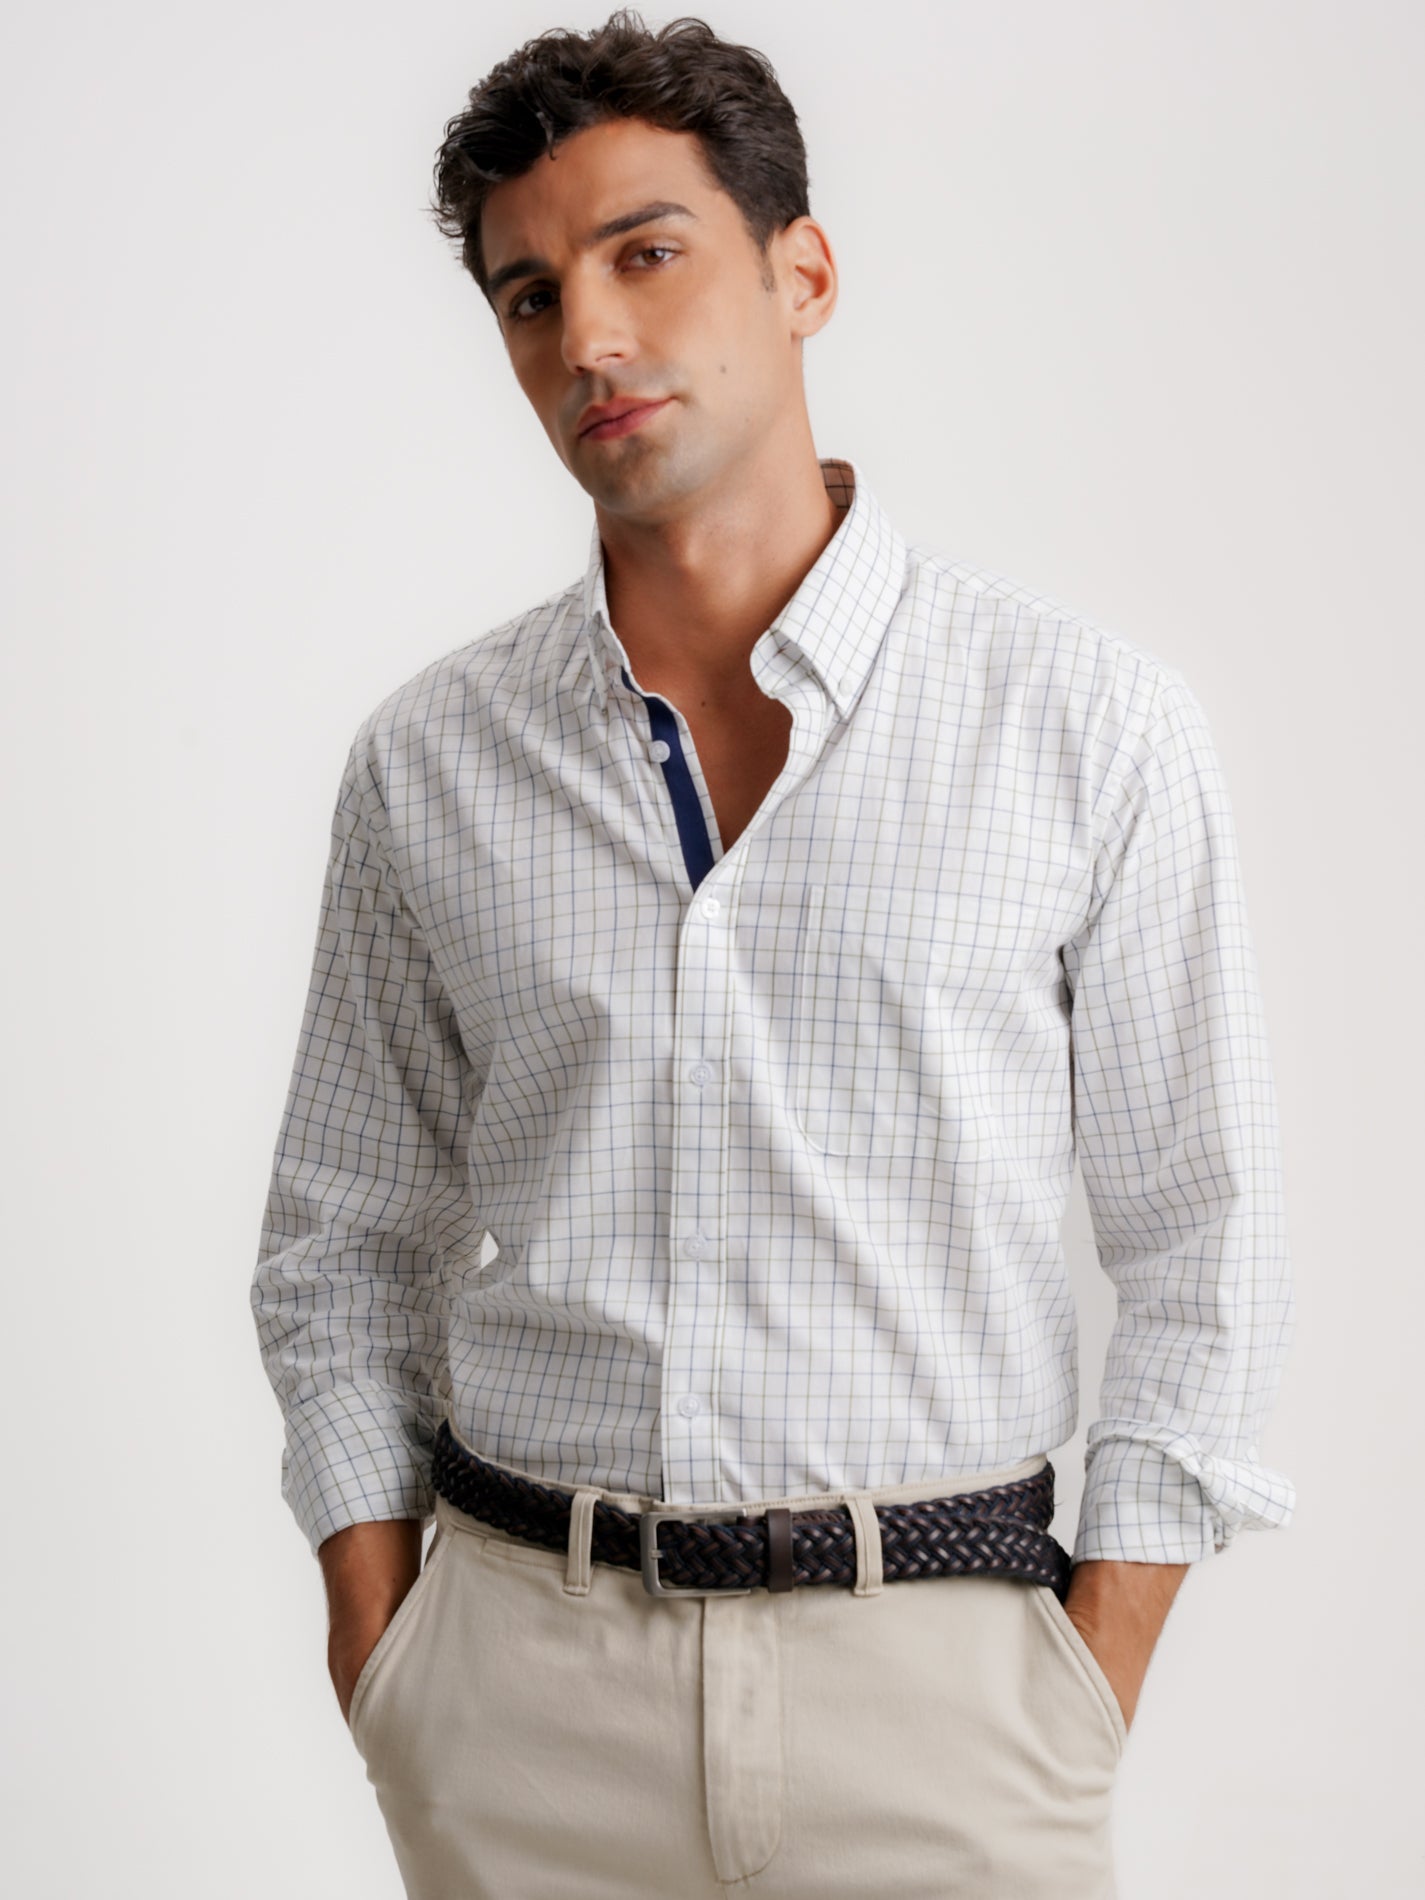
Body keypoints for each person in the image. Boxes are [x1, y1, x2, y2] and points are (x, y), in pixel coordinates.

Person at [250, 12, 1295, 1896]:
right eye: (528, 295)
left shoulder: (1088, 729)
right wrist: (385, 1646)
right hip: (520, 1696)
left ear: (799, 272)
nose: (588, 337)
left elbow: (1201, 1239)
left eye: (644, 253)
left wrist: (1089, 1669)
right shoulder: (429, 763)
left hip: (947, 1702)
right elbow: (341, 1241)